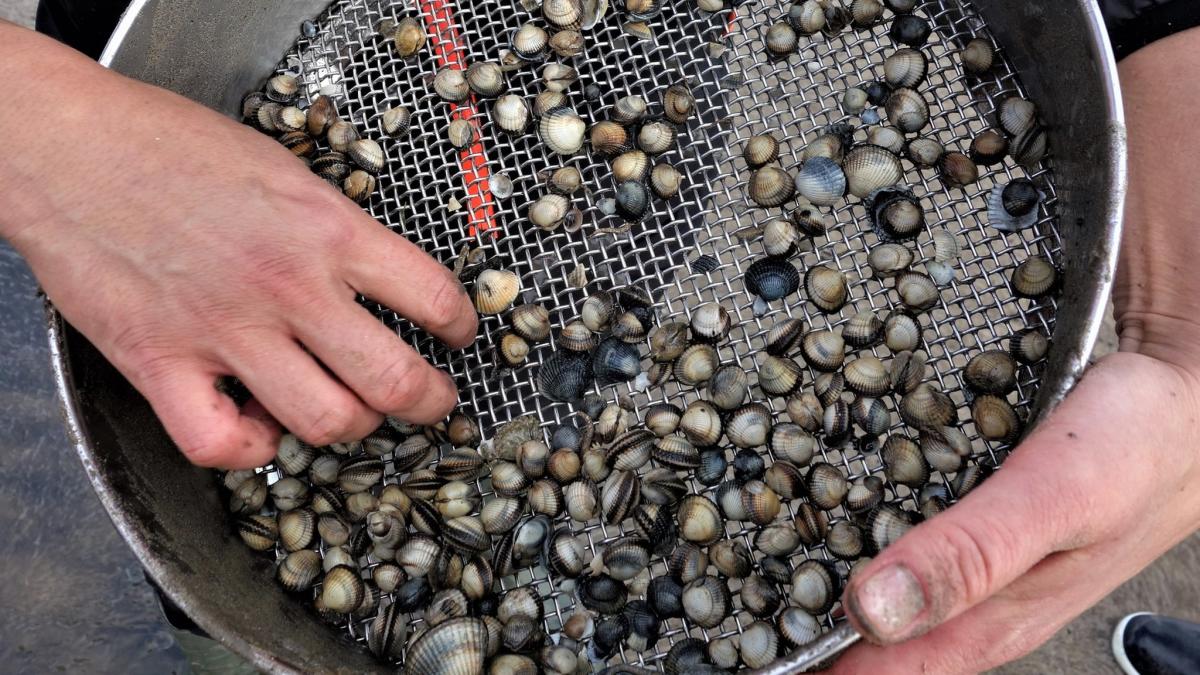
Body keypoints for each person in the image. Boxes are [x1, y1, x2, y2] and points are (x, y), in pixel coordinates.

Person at [2, 1, 1197, 673]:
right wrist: (42, 133)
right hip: (177, 183)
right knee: (242, 594)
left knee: (576, 324)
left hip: (644, 91)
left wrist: (1183, 327)